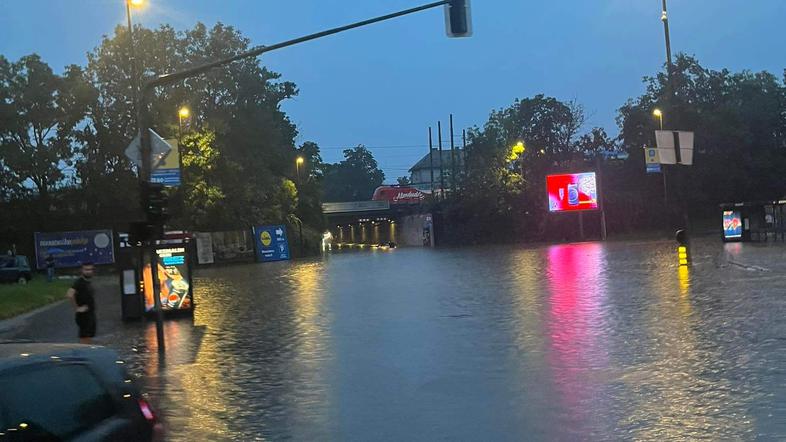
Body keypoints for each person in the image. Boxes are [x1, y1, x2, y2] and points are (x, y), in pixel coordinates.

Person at [66, 262, 96, 344]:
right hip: (83, 315)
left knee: (89, 336)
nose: (88, 271)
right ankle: (84, 354)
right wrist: (77, 308)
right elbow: (69, 294)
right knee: (84, 336)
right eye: (86, 269)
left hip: (90, 313)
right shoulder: (79, 282)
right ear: (82, 270)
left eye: (90, 269)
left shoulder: (87, 282)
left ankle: (88, 352)